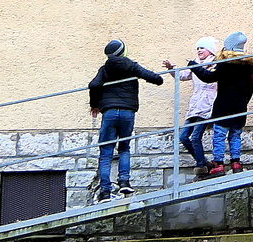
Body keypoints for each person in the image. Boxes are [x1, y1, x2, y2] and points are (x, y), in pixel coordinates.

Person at [87, 39, 165, 202]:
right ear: (123, 51)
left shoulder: (105, 69)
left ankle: (105, 192)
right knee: (124, 148)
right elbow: (155, 78)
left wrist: (95, 104)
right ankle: (124, 182)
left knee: (106, 152)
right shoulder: (131, 66)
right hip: (128, 112)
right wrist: (159, 78)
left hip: (109, 112)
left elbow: (94, 85)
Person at [189, 32, 253, 177]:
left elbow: (209, 77)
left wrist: (194, 66)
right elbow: (250, 88)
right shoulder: (248, 65)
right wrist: (244, 102)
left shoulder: (225, 63)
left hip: (224, 106)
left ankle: (218, 164)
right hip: (240, 107)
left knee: (219, 135)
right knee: (235, 135)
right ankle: (236, 163)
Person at [161, 37, 217, 178]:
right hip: (195, 105)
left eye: (202, 48)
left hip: (207, 104)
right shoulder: (195, 64)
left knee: (196, 137)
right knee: (183, 136)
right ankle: (204, 161)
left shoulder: (216, 63)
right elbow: (183, 75)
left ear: (210, 50)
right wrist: (171, 68)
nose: (199, 50)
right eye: (197, 48)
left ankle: (201, 166)